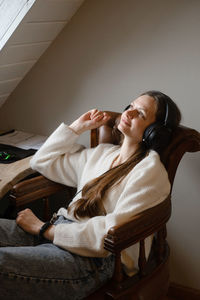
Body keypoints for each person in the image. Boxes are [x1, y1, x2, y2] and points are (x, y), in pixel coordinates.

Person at [0, 91, 181, 300]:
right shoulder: (102, 154)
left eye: (140, 113)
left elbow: (111, 233)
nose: (129, 113)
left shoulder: (150, 172)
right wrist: (76, 128)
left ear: (154, 132)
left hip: (92, 260)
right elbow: (41, 162)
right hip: (58, 232)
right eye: (130, 106)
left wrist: (45, 229)